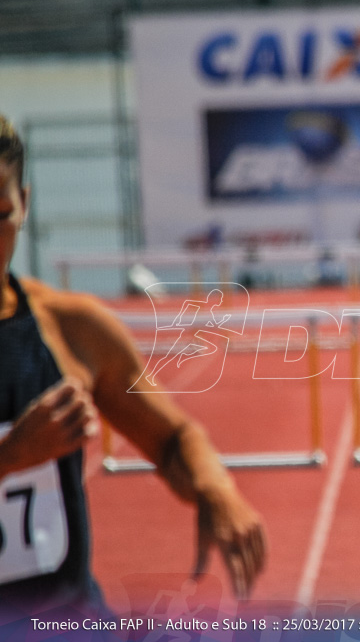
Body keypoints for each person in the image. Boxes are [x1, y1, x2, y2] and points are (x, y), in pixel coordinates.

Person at [0, 115, 266, 620]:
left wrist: (215, 488)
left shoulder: (72, 329)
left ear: (25, 206)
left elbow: (172, 437)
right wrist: (12, 454)